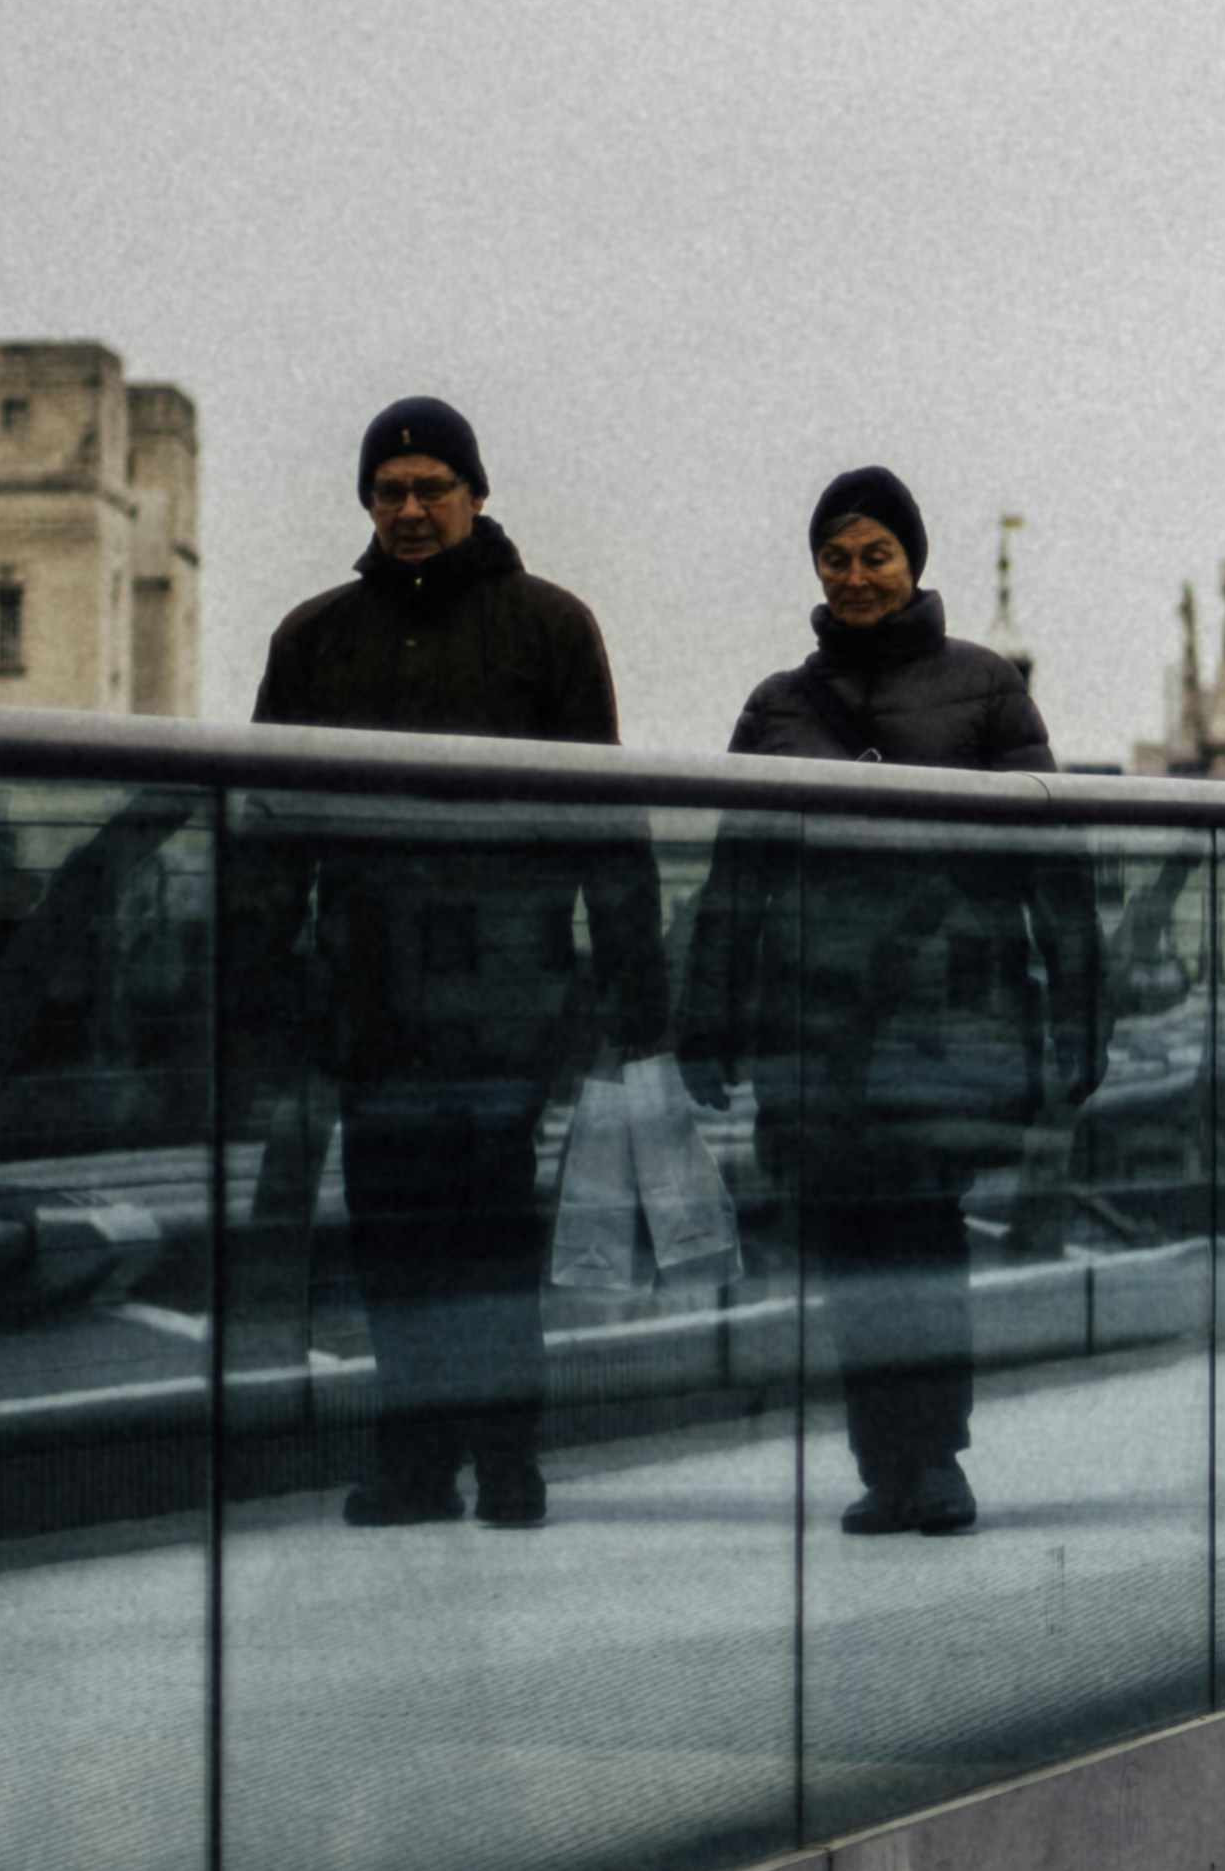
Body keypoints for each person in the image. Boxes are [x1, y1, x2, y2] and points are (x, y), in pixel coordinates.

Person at [250, 395, 659, 1527]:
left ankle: (505, 1456)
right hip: (373, 1000)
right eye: (392, 491)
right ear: (367, 505)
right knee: (393, 1240)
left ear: (477, 495)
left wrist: (638, 986)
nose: (414, 508)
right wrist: (256, 983)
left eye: (434, 488)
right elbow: (271, 835)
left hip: (508, 1004)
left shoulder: (550, 628)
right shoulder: (311, 638)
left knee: (483, 1234)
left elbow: (604, 813)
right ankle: (421, 1465)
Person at [685, 466, 1102, 1539]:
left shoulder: (988, 688)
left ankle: (936, 1463)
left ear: (913, 561)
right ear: (817, 567)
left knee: (921, 1240)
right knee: (849, 1250)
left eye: (877, 555)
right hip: (816, 1028)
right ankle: (888, 1465)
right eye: (838, 556)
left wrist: (1079, 1014)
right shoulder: (777, 705)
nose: (858, 575)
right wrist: (708, 1019)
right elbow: (738, 876)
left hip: (941, 1023)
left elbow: (1053, 864)